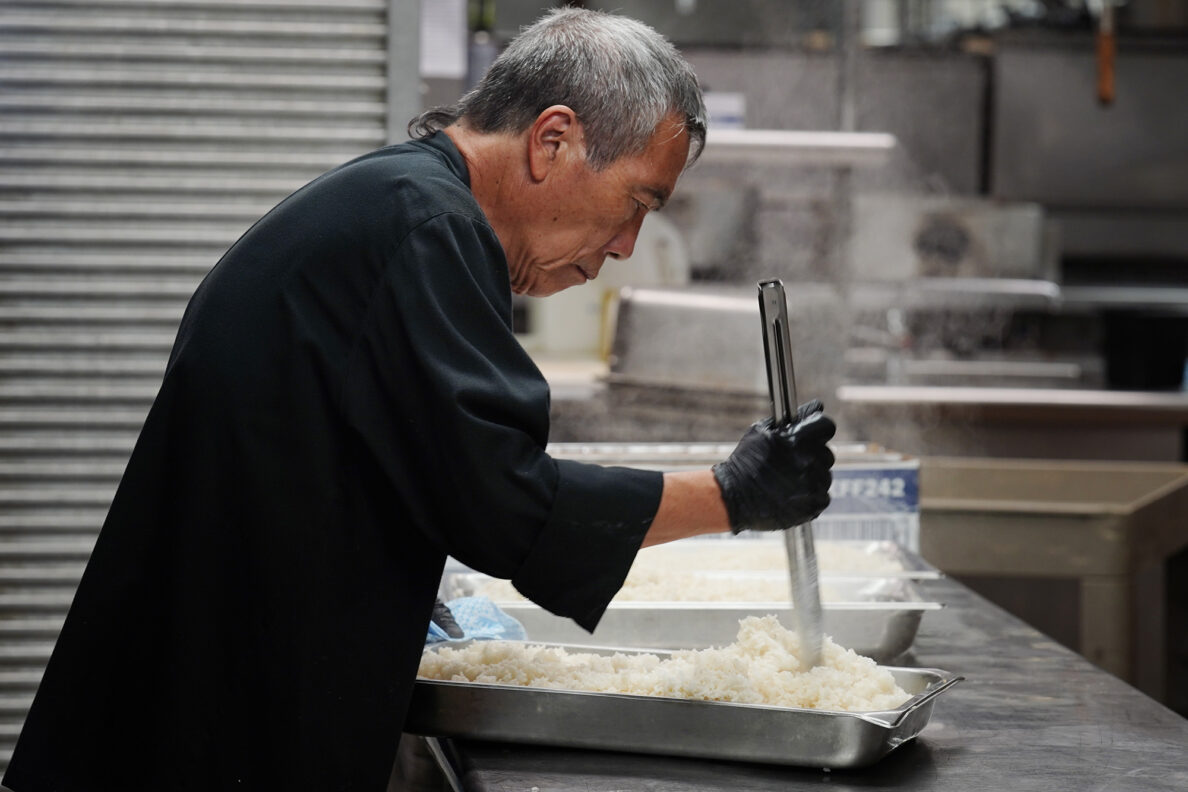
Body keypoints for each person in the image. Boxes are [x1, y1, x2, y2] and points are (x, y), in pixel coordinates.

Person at [3, 8, 835, 791]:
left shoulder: (398, 202)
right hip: (202, 737)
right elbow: (502, 500)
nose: (625, 246)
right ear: (553, 140)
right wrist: (734, 494)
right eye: (636, 204)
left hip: (196, 705)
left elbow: (383, 461)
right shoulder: (427, 229)